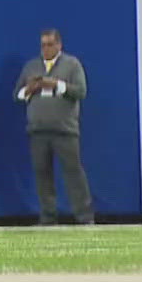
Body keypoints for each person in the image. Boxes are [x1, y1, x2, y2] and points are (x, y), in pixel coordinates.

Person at [14, 28, 93, 225]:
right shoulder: (31, 67)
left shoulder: (72, 65)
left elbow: (81, 91)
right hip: (38, 130)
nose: (46, 49)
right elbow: (17, 95)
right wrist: (30, 89)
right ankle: (48, 217)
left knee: (73, 174)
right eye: (43, 45)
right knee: (42, 175)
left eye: (50, 45)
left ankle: (84, 217)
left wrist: (57, 85)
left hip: (64, 130)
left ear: (59, 45)